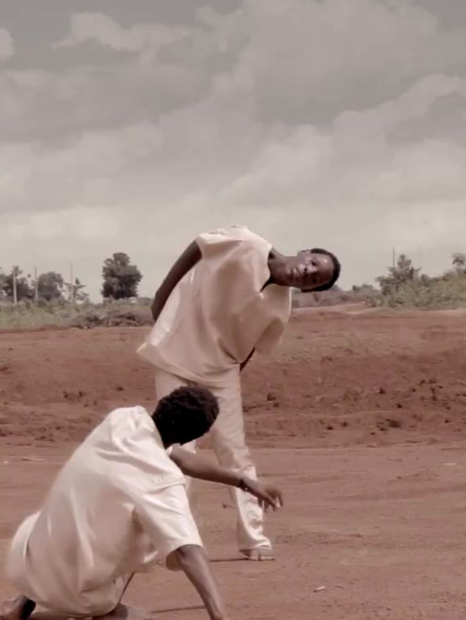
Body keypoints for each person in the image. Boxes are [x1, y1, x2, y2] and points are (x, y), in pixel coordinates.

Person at [0, 385, 281, 620]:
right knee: (151, 528)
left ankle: (25, 600)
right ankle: (108, 611)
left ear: (162, 405)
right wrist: (221, 619)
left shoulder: (122, 419)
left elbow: (175, 455)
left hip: (26, 564)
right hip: (79, 600)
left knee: (71, 509)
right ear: (192, 436)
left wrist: (243, 480)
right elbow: (187, 550)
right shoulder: (161, 481)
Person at [137, 226, 339, 562]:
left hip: (221, 372)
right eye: (314, 263)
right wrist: (162, 294)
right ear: (305, 252)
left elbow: (250, 348)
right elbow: (199, 246)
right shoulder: (246, 243)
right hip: (177, 355)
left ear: (311, 290)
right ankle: (176, 539)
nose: (309, 273)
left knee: (234, 451)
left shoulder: (279, 309)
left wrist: (225, 383)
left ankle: (254, 538)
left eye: (316, 279)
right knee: (177, 451)